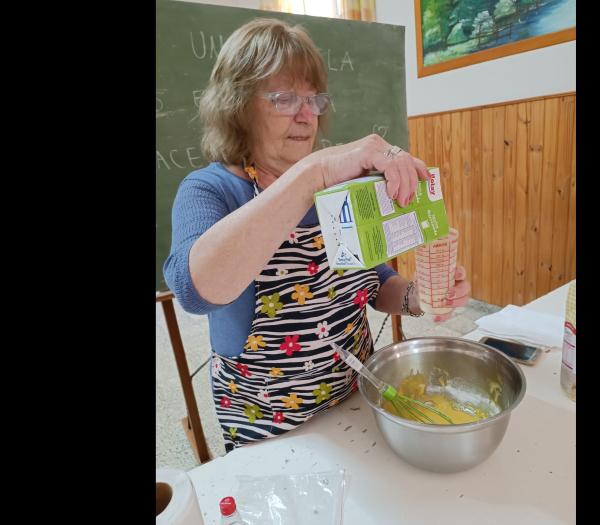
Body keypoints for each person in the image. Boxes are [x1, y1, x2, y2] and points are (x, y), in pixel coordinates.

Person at [163, 18, 471, 452]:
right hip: (270, 426)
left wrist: (418, 297)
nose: (308, 115)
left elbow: (372, 279)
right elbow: (196, 291)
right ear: (238, 105)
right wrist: (314, 172)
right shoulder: (209, 190)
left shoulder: (339, 186)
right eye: (285, 98)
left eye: (314, 99)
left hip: (358, 399)